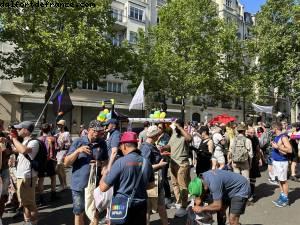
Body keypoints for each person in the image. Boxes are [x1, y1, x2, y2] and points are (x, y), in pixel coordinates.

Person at [99, 131, 154, 225]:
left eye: (120, 146)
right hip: (140, 205)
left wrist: (105, 172)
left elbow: (103, 188)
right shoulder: (146, 162)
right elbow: (151, 185)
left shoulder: (120, 162)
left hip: (120, 204)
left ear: (124, 145)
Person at [64, 120, 108, 225]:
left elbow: (106, 161)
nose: (97, 133)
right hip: (79, 184)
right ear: (88, 130)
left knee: (94, 212)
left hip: (95, 184)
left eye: (99, 131)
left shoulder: (102, 143)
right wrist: (78, 151)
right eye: (94, 131)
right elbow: (66, 163)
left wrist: (101, 164)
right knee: (79, 212)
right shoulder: (78, 142)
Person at [10, 121, 39, 225]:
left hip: (28, 176)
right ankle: (27, 221)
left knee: (31, 203)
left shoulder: (34, 142)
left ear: (26, 130)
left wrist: (14, 138)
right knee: (24, 202)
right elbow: (16, 150)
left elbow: (23, 150)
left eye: (19, 128)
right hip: (20, 175)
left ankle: (33, 222)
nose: (17, 130)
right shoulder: (24, 141)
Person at [163, 119, 192, 217]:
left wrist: (180, 127)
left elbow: (189, 139)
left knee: (183, 185)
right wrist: (164, 147)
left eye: (176, 126)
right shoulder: (173, 135)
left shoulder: (184, 134)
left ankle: (184, 206)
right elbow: (169, 146)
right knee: (175, 184)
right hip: (173, 162)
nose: (174, 127)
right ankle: (179, 202)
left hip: (182, 163)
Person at [140, 125, 168, 225]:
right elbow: (144, 166)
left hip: (154, 180)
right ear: (154, 135)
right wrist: (160, 165)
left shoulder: (149, 146)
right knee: (152, 206)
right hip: (152, 180)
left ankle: (165, 223)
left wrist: (161, 155)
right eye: (157, 135)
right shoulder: (147, 147)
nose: (158, 136)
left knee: (156, 206)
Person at [270, 122, 292, 207]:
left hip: (282, 162)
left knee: (283, 180)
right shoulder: (277, 137)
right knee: (280, 180)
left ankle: (285, 199)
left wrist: (278, 147)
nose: (271, 130)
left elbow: (289, 150)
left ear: (275, 128)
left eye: (272, 128)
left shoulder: (283, 137)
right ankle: (282, 196)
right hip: (276, 161)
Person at [36, 123, 58, 205]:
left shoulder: (38, 139)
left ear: (41, 130)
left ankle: (41, 198)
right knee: (53, 177)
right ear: (50, 129)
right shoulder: (53, 138)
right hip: (50, 160)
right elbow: (56, 148)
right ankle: (53, 194)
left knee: (40, 179)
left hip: (41, 161)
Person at [156, 123, 171, 206]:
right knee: (157, 178)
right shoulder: (156, 135)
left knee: (164, 178)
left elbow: (168, 147)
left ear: (163, 129)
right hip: (156, 159)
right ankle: (159, 196)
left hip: (164, 158)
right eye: (158, 127)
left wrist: (161, 147)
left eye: (160, 127)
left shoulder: (166, 136)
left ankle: (168, 196)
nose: (158, 128)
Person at [0, 127, 12, 220]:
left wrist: (3, 144)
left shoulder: (4, 139)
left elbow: (9, 152)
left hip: (4, 170)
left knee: (3, 196)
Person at [55, 119, 71, 191]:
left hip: (63, 152)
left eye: (60, 125)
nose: (58, 126)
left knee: (60, 169)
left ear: (63, 126)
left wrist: (64, 144)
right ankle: (63, 184)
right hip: (58, 153)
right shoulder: (58, 134)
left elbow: (69, 144)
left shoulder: (66, 133)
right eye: (58, 125)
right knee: (58, 170)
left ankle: (64, 185)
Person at [247, 127, 261, 202]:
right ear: (248, 132)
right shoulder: (246, 139)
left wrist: (260, 159)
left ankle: (251, 193)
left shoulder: (255, 139)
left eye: (253, 132)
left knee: (252, 177)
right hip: (248, 159)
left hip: (254, 159)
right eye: (251, 132)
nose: (252, 134)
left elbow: (258, 149)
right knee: (248, 178)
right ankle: (249, 194)